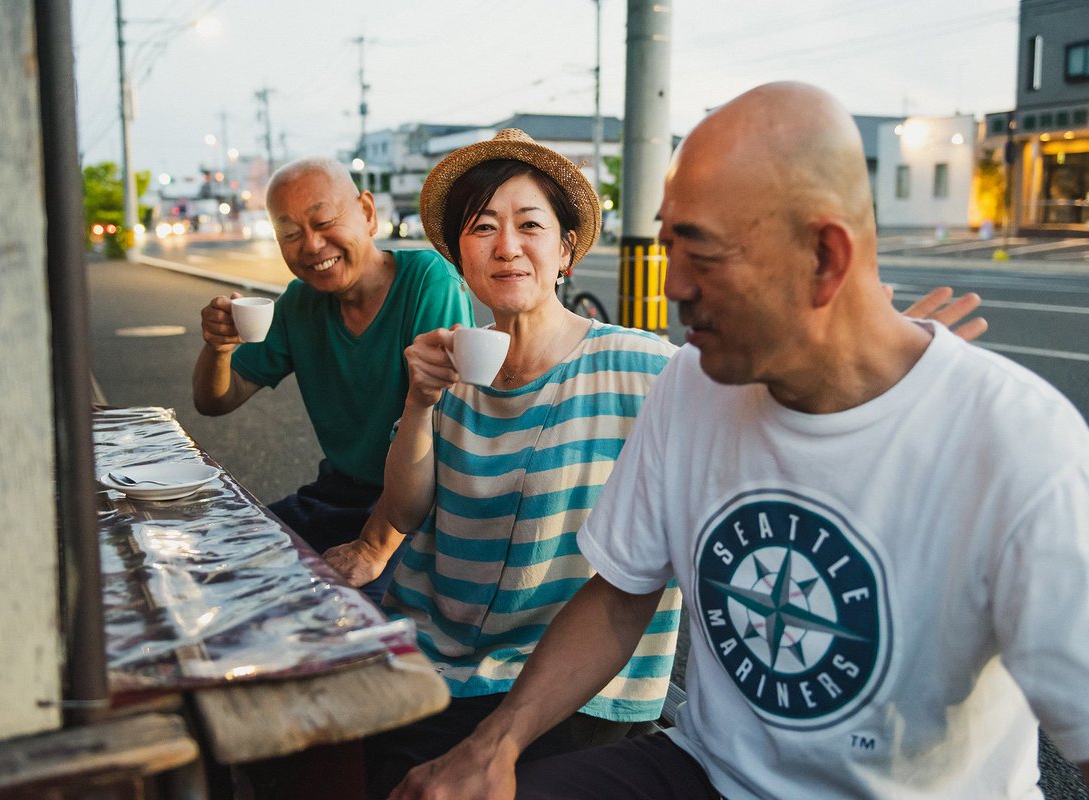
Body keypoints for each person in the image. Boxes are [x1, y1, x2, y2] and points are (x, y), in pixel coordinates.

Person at [389, 83, 1089, 800]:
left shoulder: (1019, 445)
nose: (675, 288)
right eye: (669, 246)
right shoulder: (692, 384)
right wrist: (493, 746)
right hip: (705, 771)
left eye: (704, 254)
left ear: (825, 259)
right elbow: (618, 598)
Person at [326, 129, 683, 797]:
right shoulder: (447, 363)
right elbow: (402, 511)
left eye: (529, 225)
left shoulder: (644, 367)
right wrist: (422, 401)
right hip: (434, 654)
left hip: (570, 684)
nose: (507, 246)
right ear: (459, 253)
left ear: (565, 249)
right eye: (482, 227)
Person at [193, 157, 475, 602]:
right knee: (218, 559)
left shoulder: (427, 281)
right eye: (290, 233)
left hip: (418, 508)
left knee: (345, 613)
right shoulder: (297, 304)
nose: (311, 245)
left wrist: (373, 546)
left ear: (367, 212)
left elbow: (445, 433)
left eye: (324, 221)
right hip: (337, 493)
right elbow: (216, 400)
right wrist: (218, 348)